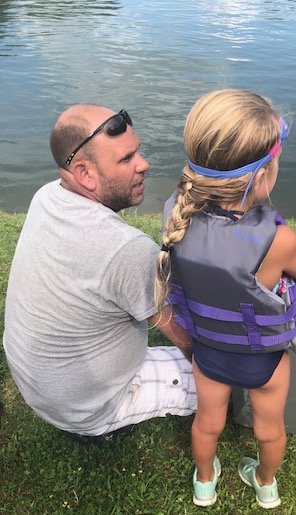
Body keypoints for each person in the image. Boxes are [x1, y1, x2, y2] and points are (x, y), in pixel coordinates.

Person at [155, 89, 296, 508]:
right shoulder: (278, 240)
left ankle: (205, 483)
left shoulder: (176, 215)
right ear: (263, 174)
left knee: (207, 423)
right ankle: (265, 484)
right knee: (269, 428)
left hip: (209, 353)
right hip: (263, 358)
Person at [3, 104, 197, 442]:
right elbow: (183, 337)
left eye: (137, 152)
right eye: (126, 159)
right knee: (226, 378)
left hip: (40, 387)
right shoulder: (126, 248)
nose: (144, 164)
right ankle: (102, 427)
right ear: (85, 174)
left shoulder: (48, 195)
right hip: (85, 406)